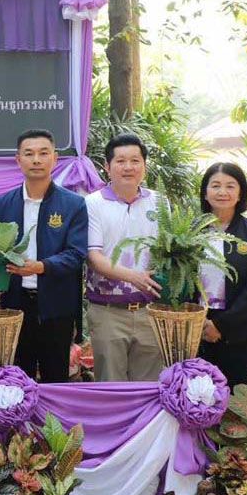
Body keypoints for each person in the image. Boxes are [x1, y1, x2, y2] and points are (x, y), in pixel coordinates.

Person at [0, 129, 88, 382]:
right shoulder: (2, 205)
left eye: (43, 153)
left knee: (55, 375)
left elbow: (76, 254)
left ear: (55, 158)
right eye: (29, 154)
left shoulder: (73, 205)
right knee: (16, 375)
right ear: (18, 160)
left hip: (56, 304)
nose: (36, 160)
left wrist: (41, 267)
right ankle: (18, 422)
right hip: (15, 303)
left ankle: (52, 423)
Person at [84, 133, 164, 382]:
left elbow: (168, 251)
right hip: (107, 310)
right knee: (110, 387)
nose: (128, 167)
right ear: (107, 167)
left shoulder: (160, 202)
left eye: (135, 160)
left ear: (144, 166)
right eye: (120, 161)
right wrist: (134, 277)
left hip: (150, 311)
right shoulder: (92, 203)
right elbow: (93, 257)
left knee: (149, 388)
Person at [196, 162, 247, 389]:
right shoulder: (190, 232)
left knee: (236, 395)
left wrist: (220, 325)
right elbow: (181, 279)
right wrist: (199, 323)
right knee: (197, 393)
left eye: (230, 186)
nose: (222, 192)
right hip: (196, 327)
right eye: (215, 185)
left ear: (240, 194)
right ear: (205, 192)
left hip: (239, 330)